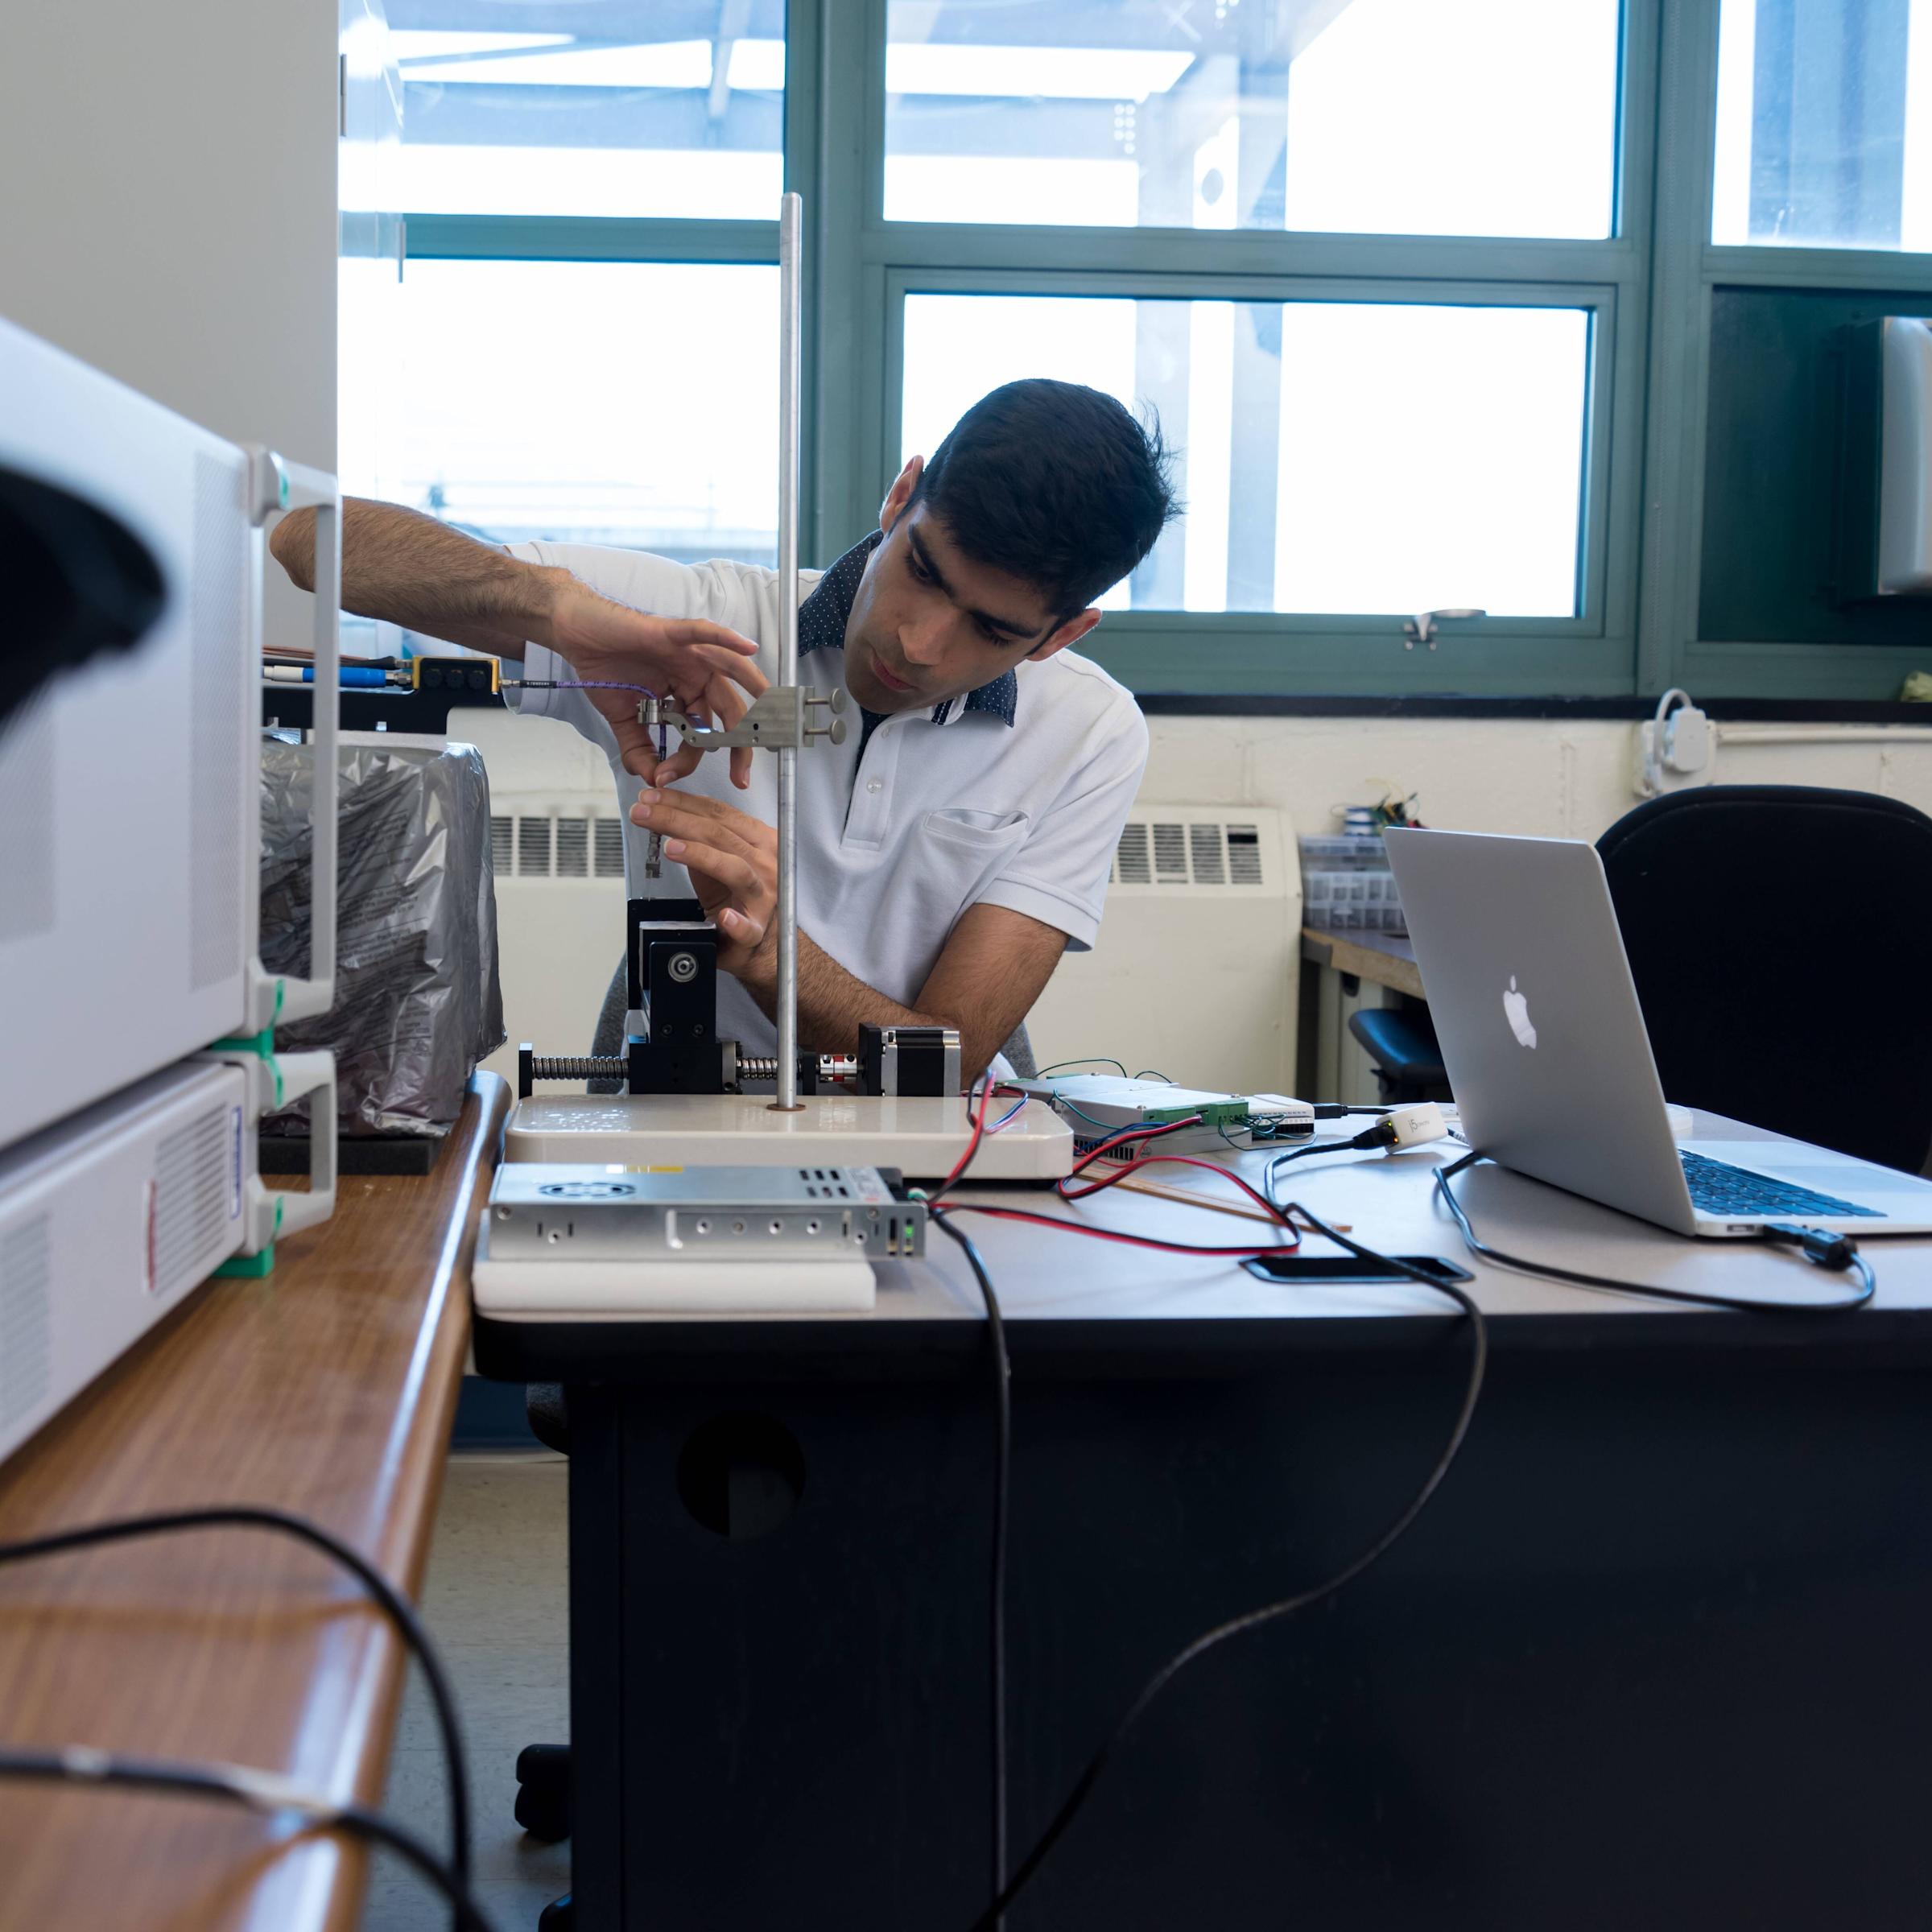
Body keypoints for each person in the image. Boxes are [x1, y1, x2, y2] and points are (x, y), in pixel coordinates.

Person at [272, 378, 1179, 1081]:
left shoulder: (1089, 731)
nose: (920, 644)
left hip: (940, 1140)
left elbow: (948, 1056)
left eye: (991, 630)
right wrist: (560, 613)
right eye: (925, 574)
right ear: (901, 498)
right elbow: (310, 543)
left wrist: (779, 956)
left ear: (1061, 635)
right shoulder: (701, 625)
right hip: (677, 1105)